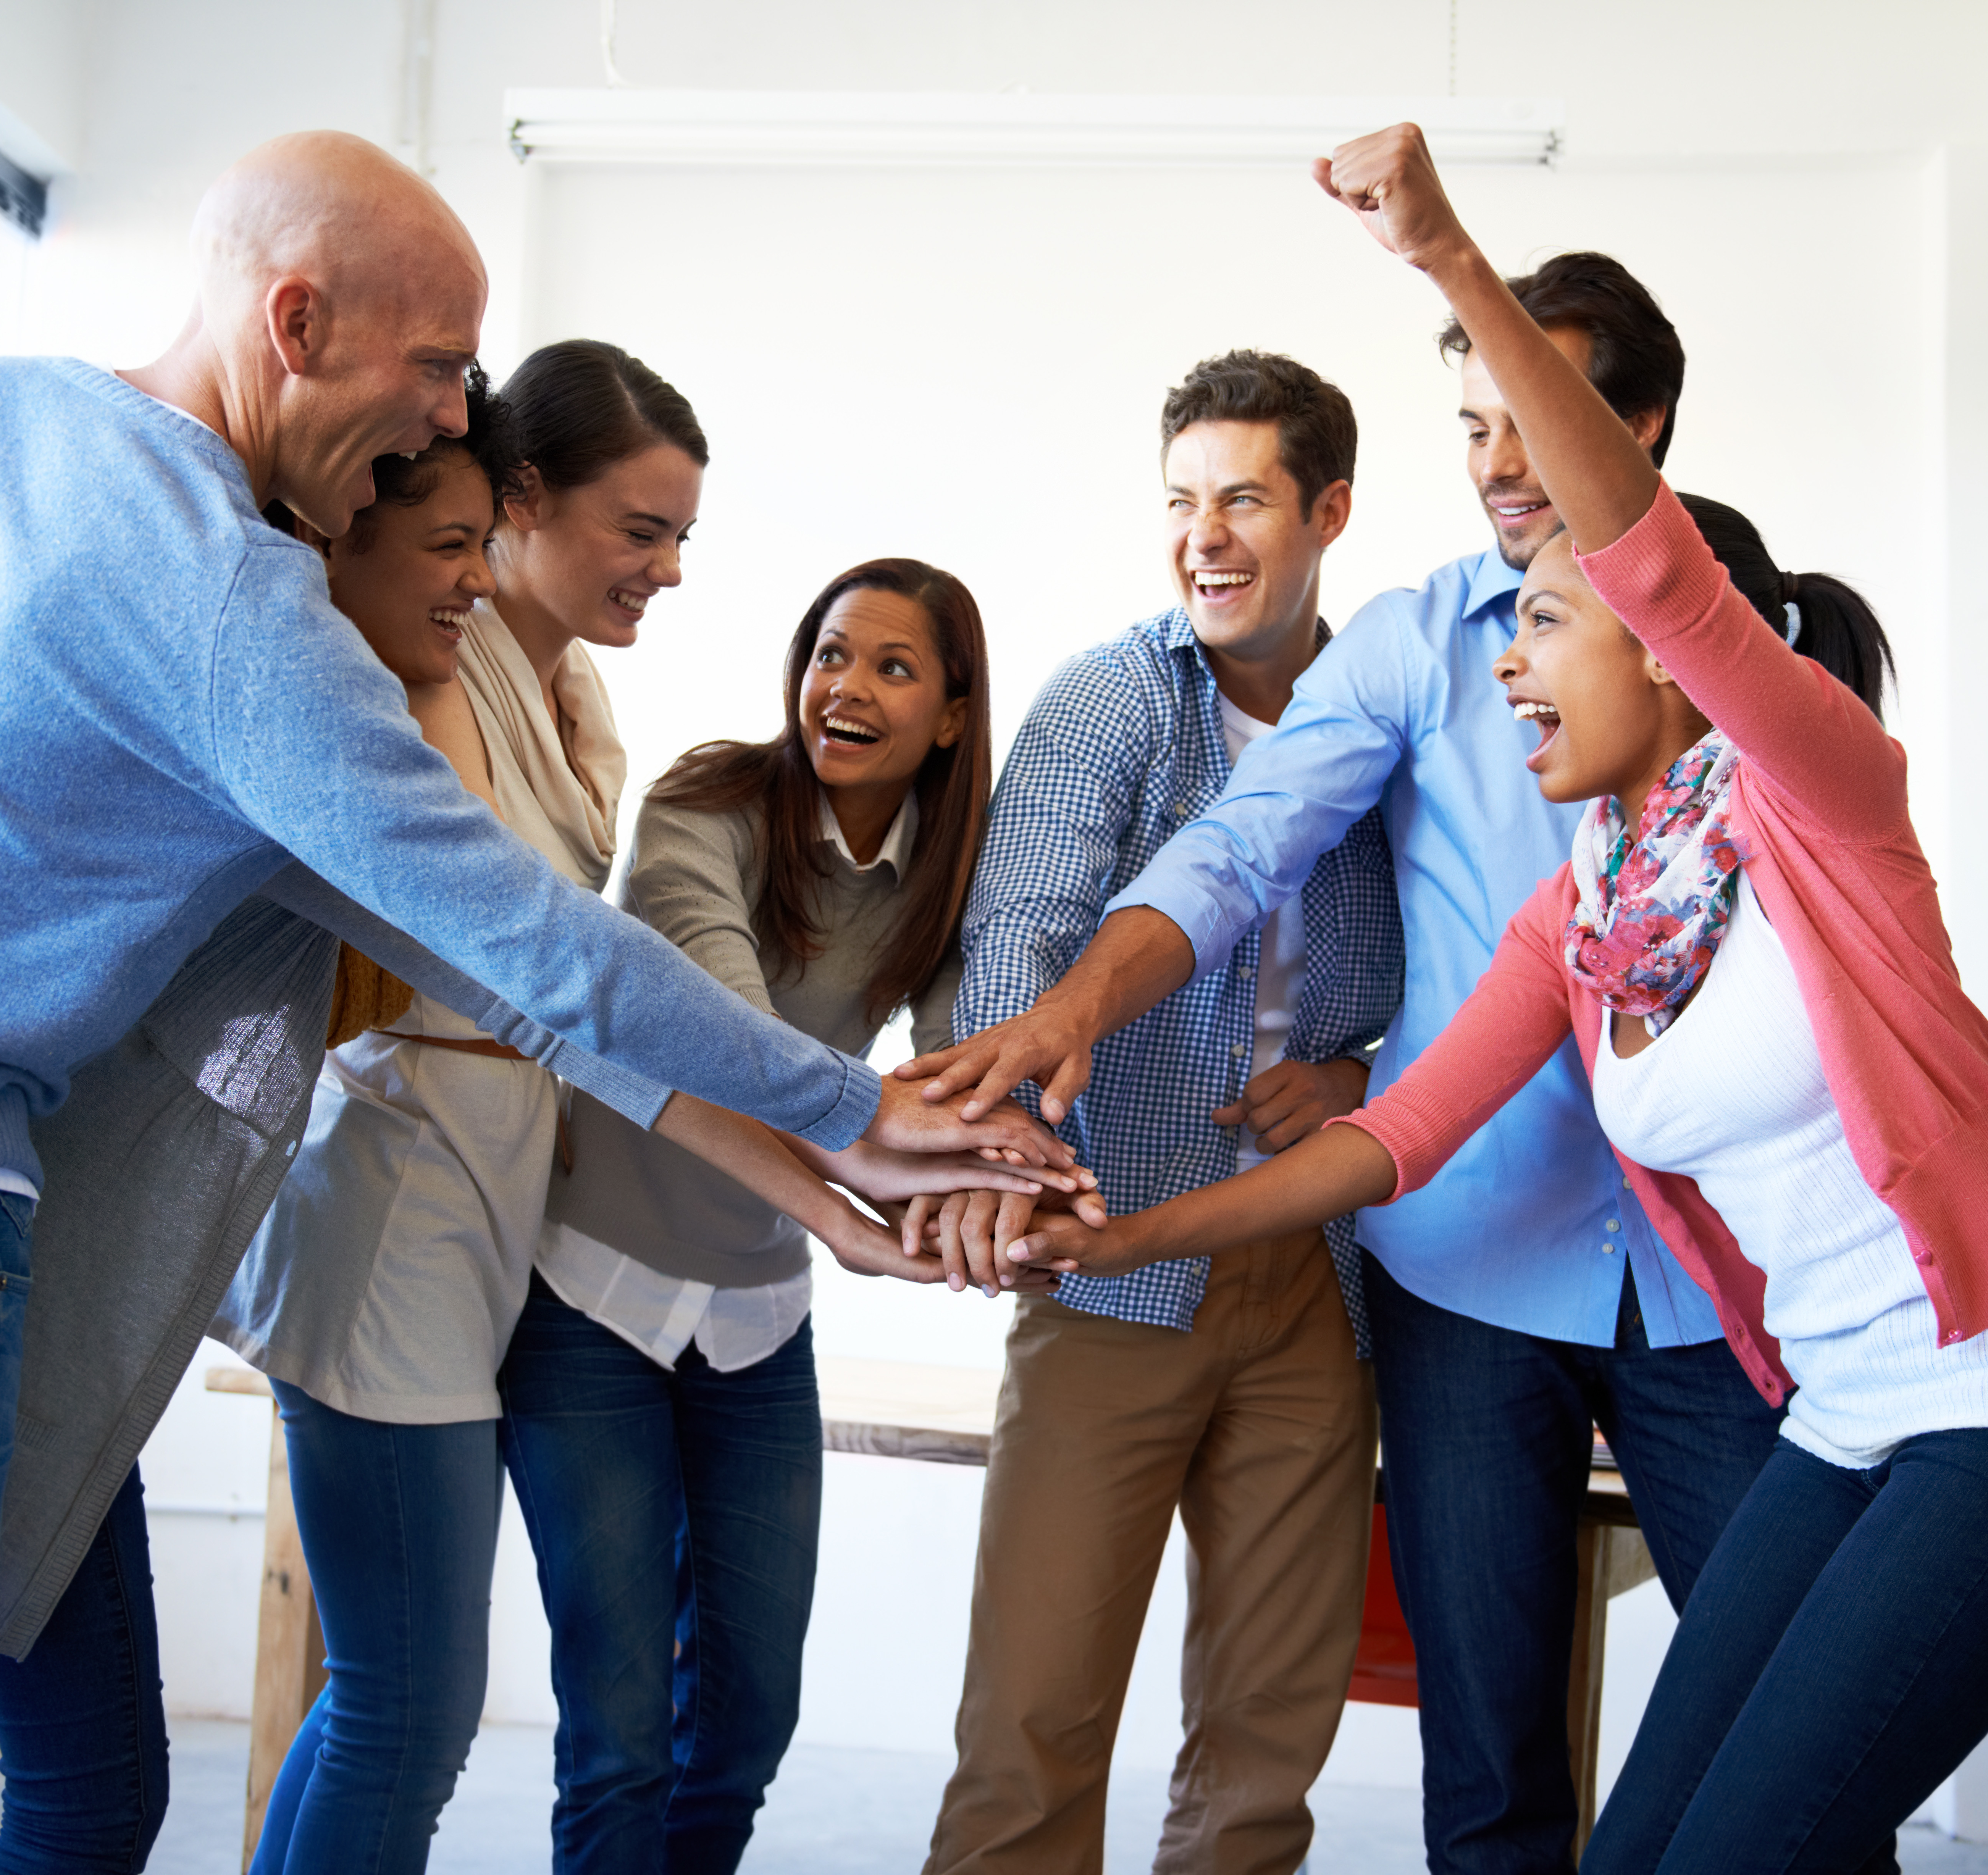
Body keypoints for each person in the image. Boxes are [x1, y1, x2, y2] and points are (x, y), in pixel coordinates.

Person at [0, 132, 1061, 1875]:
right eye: (435, 368)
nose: (452, 419)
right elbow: (535, 941)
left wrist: (837, 1190)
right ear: (294, 317)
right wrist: (856, 1110)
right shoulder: (238, 602)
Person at [1006, 122, 1988, 1875]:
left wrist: (1447, 256)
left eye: (1550, 624)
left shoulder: (1818, 793)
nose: (1505, 660)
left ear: (1658, 634)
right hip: (1818, 1398)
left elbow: (1658, 573)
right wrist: (1131, 1228)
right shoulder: (1596, 901)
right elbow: (1394, 1135)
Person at [904, 251, 1781, 1875]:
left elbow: (1391, 965)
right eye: (1475, 426)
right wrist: (1043, 1053)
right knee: (1456, 1749)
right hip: (1373, 1263)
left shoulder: (1759, 676)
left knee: (1780, 1710)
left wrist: (1362, 1056)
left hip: (1680, 1267)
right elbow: (1222, 864)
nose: (1503, 464)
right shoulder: (1379, 660)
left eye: (1538, 418)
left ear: (1642, 426)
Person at [225, 359, 1060, 1875]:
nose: (673, 567)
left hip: (563, 1237)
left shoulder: (579, 695)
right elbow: (617, 1003)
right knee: (443, 1711)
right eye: (643, 526)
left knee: (668, 1713)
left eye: (893, 668)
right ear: (522, 503)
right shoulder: (449, 676)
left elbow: (629, 1029)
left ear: (952, 715)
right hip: (471, 1232)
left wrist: (967, 1175)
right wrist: (850, 1172)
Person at [915, 351, 1401, 1875]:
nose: (1205, 536)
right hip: (1116, 1250)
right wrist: (1011, 1168)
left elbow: (1471, 965)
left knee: (1265, 1748)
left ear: (1327, 511)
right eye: (1182, 502)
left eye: (1244, 499)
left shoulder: (1391, 715)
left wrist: (1356, 1083)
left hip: (1316, 1278)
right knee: (1032, 1731)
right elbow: (1019, 945)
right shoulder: (1112, 698)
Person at [509, 554, 1012, 1873]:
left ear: (953, 716)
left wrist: (991, 1186)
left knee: (743, 1723)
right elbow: (722, 1032)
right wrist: (875, 1161)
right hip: (587, 1303)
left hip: (754, 1323)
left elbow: (955, 1079)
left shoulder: (944, 883)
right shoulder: (706, 801)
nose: (842, 688)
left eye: (893, 668)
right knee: (618, 1737)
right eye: (830, 653)